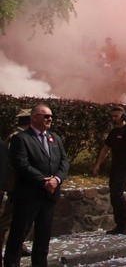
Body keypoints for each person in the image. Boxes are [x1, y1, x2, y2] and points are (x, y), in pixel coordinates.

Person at [4, 103, 70, 267]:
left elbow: (64, 161)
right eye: (45, 116)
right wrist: (44, 181)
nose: (49, 119)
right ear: (34, 117)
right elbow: (21, 164)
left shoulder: (54, 138)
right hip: (28, 196)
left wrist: (57, 180)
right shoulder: (20, 138)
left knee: (43, 238)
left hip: (49, 196)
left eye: (51, 117)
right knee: (17, 237)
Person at [91, 106, 126, 235]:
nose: (113, 118)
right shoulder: (113, 132)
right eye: (112, 116)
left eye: (116, 116)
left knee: (117, 194)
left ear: (123, 116)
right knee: (113, 195)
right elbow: (105, 149)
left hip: (125, 167)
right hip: (115, 166)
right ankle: (120, 224)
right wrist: (98, 165)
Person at [0, 110, 32, 261]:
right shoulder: (17, 137)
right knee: (8, 218)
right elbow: (15, 163)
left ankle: (19, 245)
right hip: (17, 185)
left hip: (22, 184)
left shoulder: (17, 136)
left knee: (22, 219)